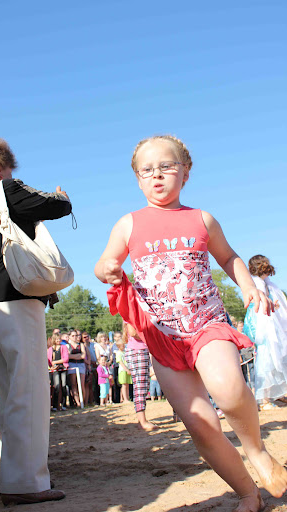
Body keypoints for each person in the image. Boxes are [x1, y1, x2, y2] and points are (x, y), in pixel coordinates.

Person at [95, 134, 287, 511]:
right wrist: (108, 269)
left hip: (206, 323)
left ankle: (258, 451)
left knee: (229, 388)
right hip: (161, 336)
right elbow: (103, 263)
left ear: (186, 171)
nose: (158, 176)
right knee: (200, 423)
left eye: (167, 166)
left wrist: (248, 285)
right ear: (137, 179)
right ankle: (248, 493)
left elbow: (229, 257)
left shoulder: (202, 219)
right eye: (147, 170)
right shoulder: (128, 224)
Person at [0, 137, 71, 505]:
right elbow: (56, 207)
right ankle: (28, 484)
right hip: (14, 301)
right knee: (29, 391)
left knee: (2, 395)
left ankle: (11, 478)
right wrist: (62, 195)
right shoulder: (4, 190)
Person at [243, 255, 287, 409]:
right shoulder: (257, 284)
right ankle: (265, 399)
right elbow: (257, 307)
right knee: (266, 361)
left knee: (275, 361)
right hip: (263, 329)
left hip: (272, 328)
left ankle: (276, 394)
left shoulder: (267, 284)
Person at [123, 322, 157, 430]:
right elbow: (133, 332)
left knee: (142, 385)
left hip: (141, 350)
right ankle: (142, 421)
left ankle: (141, 420)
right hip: (138, 351)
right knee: (140, 386)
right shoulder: (131, 309)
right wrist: (150, 337)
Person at [67, 330, 86, 406]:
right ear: (69, 337)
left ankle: (83, 402)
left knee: (81, 384)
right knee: (73, 384)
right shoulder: (67, 346)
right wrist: (78, 356)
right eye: (73, 336)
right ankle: (78, 402)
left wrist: (76, 356)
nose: (75, 337)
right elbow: (68, 356)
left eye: (76, 335)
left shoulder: (81, 345)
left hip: (81, 365)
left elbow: (83, 356)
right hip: (72, 365)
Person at [115, 338, 132, 403]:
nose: (124, 346)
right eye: (122, 345)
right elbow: (121, 362)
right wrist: (126, 369)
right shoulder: (118, 353)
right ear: (119, 346)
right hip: (123, 371)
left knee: (127, 385)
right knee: (124, 385)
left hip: (127, 369)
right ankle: (125, 399)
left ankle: (127, 398)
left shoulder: (125, 352)